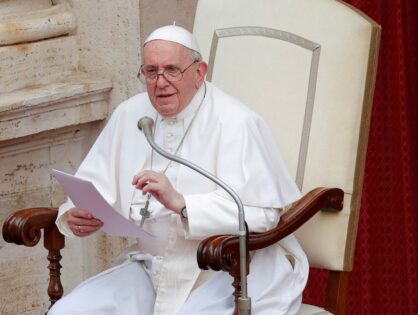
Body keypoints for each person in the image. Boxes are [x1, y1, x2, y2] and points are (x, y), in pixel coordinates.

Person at [49, 25, 309, 315]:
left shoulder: (237, 122)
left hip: (227, 273)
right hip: (152, 270)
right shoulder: (130, 115)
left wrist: (183, 204)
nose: (161, 82)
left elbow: (264, 216)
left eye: (172, 70)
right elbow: (92, 186)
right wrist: (73, 214)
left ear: (199, 72)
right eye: (151, 71)